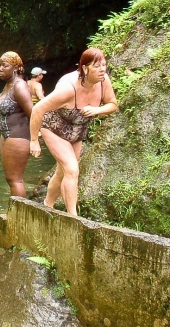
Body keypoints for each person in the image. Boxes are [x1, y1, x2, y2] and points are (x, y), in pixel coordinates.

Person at [29, 47, 118, 216]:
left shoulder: (103, 81)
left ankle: (47, 204)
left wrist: (96, 110)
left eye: (104, 65)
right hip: (54, 127)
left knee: (63, 171)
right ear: (85, 68)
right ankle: (73, 217)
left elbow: (113, 104)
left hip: (77, 130)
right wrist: (34, 140)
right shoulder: (68, 89)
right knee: (71, 169)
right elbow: (38, 110)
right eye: (97, 66)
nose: (102, 70)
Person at [0, 52, 34, 197]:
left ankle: (18, 214)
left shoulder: (19, 86)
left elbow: (33, 113)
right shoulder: (8, 85)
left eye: (5, 66)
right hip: (6, 136)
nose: (0, 68)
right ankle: (15, 211)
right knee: (10, 179)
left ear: (15, 68)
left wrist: (35, 140)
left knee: (15, 180)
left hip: (18, 136)